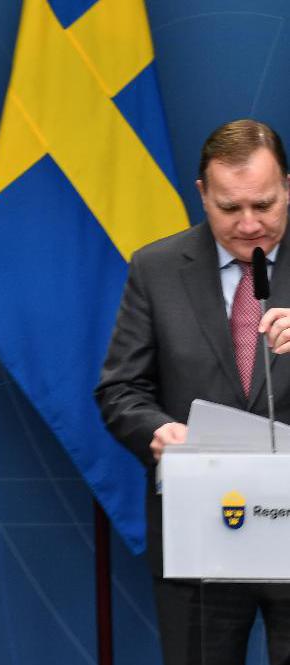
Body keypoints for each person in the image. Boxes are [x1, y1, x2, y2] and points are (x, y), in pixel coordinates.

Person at [96, 119, 290, 665]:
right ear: (202, 194)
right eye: (230, 208)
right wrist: (157, 432)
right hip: (203, 533)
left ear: (288, 188)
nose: (249, 224)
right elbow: (121, 389)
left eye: (264, 205)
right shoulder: (156, 268)